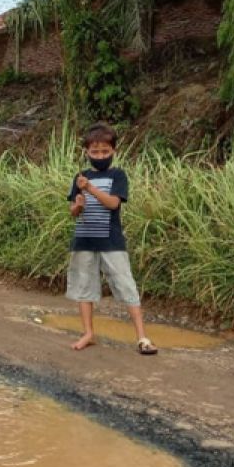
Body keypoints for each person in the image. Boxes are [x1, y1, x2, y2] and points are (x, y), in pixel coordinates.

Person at [66, 123, 157, 355]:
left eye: (105, 152)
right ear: (86, 152)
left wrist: (90, 190)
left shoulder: (118, 175)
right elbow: (73, 211)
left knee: (126, 284)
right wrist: (78, 205)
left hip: (112, 241)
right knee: (84, 287)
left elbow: (113, 203)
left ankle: (142, 337)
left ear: (114, 151)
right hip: (84, 240)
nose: (99, 156)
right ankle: (88, 332)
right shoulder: (80, 177)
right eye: (95, 152)